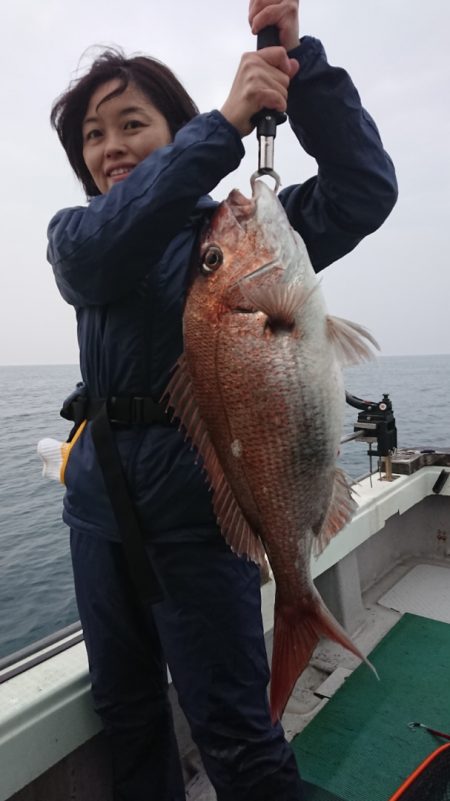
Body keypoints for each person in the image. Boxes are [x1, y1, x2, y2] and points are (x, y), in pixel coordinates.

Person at [47, 0, 397, 799]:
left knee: (240, 743)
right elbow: (102, 249)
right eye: (93, 137)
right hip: (97, 517)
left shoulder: (242, 239)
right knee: (127, 717)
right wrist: (219, 127)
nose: (110, 148)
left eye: (131, 123)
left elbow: (364, 188)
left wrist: (299, 67)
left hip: (204, 520)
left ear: (176, 132)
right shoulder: (81, 234)